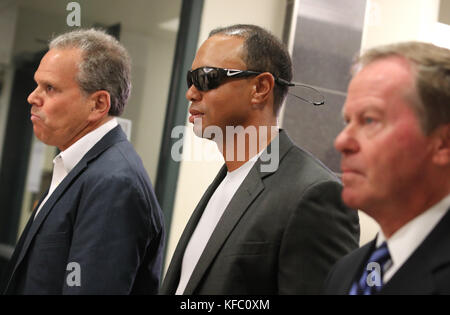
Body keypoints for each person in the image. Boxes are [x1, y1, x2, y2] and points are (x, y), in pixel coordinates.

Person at [161, 24, 359, 295]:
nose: (192, 93)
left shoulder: (313, 194)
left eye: (206, 78)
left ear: (260, 88)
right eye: (190, 79)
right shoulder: (228, 179)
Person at [0, 29, 165, 294]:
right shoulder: (77, 165)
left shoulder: (114, 182)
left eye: (50, 88)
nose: (32, 97)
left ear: (98, 104)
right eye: (37, 84)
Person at [323, 41, 450, 295]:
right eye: (348, 121)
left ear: (443, 144)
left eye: (369, 120)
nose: (341, 141)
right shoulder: (344, 272)